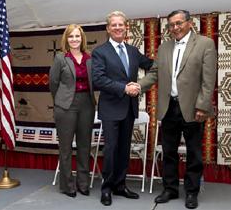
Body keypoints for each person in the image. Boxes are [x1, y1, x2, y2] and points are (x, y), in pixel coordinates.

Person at [139, 10, 217, 209]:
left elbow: (208, 80)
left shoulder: (205, 44)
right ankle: (170, 189)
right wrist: (138, 86)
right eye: (171, 25)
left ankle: (191, 192)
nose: (175, 28)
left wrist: (202, 106)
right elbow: (155, 73)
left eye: (179, 23)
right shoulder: (164, 47)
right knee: (169, 152)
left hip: (193, 108)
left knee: (193, 152)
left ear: (190, 23)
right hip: (169, 107)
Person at [92, 11, 153, 206]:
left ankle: (120, 185)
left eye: (121, 24)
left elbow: (152, 65)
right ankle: (107, 188)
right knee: (111, 149)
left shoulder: (133, 51)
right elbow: (98, 79)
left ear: (126, 27)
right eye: (114, 25)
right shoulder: (100, 52)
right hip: (111, 108)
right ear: (108, 28)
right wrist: (124, 88)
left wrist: (170, 62)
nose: (118, 28)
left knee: (124, 149)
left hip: (129, 108)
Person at [49, 24, 96, 198]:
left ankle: (83, 184)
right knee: (66, 148)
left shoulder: (89, 58)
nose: (74, 39)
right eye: (71, 36)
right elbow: (53, 83)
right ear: (66, 39)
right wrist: (61, 100)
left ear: (82, 38)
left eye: (77, 36)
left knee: (84, 146)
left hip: (87, 104)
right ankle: (67, 185)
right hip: (66, 106)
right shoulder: (61, 58)